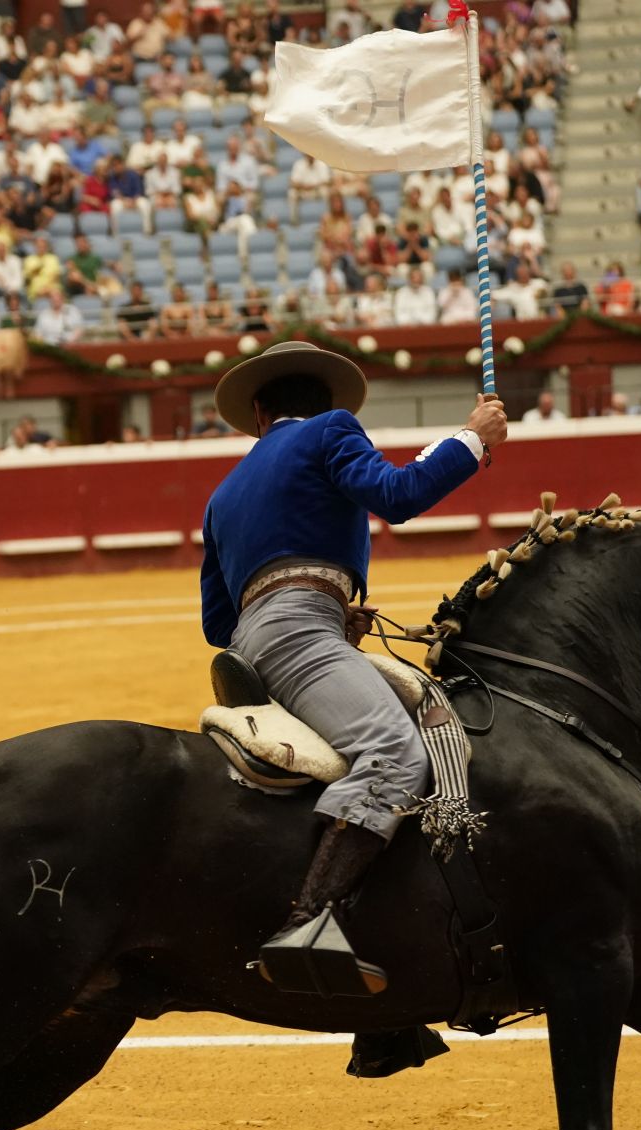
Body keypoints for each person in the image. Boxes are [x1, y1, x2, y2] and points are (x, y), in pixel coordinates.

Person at [198, 341, 507, 1006]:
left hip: (261, 640)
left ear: (258, 413)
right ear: (327, 404)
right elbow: (397, 495)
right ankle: (305, 924)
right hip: (300, 634)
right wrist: (472, 439)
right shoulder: (331, 431)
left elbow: (217, 625)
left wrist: (318, 608)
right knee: (396, 751)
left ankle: (383, 1008)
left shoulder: (223, 494)